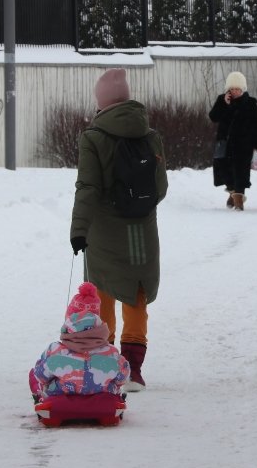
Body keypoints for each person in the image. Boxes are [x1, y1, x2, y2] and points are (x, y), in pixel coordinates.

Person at [70, 68, 168, 392]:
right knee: (136, 295)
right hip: (142, 232)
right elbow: (161, 188)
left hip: (104, 231)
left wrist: (79, 229)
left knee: (102, 294)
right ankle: (134, 370)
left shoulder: (93, 138)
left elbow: (87, 187)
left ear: (101, 102)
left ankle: (106, 363)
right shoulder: (150, 136)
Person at [29, 282, 130, 400]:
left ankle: (39, 397)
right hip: (102, 402)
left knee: (34, 374)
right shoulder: (111, 353)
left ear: (68, 323)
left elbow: (41, 376)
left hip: (60, 401)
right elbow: (123, 377)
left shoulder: (56, 350)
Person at [208, 71, 257, 211]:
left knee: (241, 172)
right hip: (225, 144)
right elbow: (214, 117)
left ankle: (239, 200)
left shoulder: (250, 103)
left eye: (237, 89)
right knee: (225, 171)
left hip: (244, 144)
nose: (234, 92)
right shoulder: (222, 100)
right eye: (232, 89)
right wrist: (225, 104)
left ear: (243, 89)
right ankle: (233, 193)